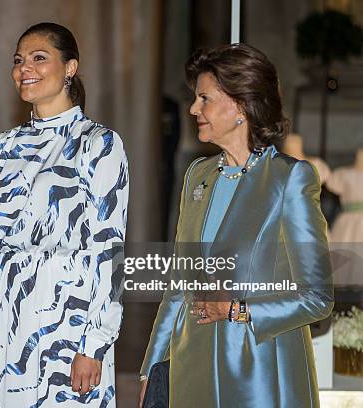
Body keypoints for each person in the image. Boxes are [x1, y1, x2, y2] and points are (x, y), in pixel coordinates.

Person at [139, 44, 333, 408]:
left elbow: (317, 297)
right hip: (190, 373)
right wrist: (152, 368)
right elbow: (178, 286)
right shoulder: (198, 176)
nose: (194, 109)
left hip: (260, 376)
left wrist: (238, 309)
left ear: (241, 105)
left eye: (204, 99)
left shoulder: (289, 179)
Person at [0, 22, 129, 407]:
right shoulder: (1, 147)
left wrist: (96, 341)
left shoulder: (99, 143)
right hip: (8, 318)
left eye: (40, 58)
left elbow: (110, 249)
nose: (26, 68)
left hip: (69, 318)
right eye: (19, 60)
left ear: (70, 68)